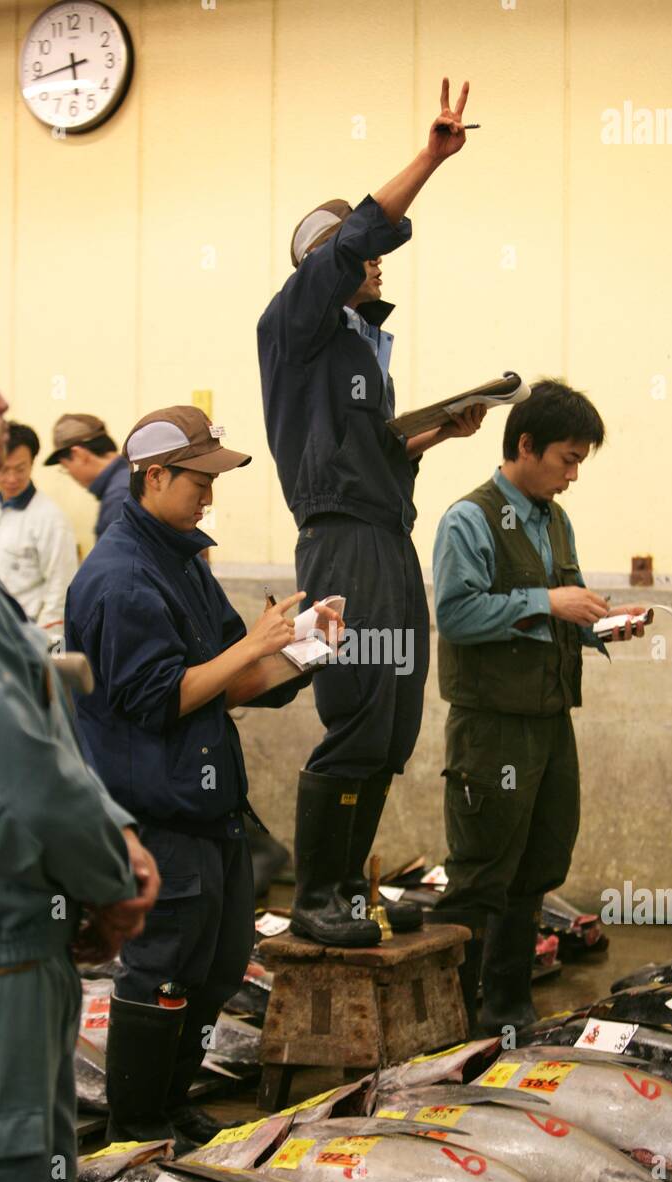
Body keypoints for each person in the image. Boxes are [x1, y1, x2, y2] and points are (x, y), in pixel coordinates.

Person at [0, 292, 160, 1182]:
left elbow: (31, 724)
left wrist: (107, 834)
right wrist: (110, 876)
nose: (2, 399)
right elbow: (20, 776)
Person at [258, 77, 505, 947]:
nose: (376, 261)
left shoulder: (360, 349)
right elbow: (361, 232)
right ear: (324, 265)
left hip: (385, 537)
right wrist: (429, 159)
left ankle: (348, 892)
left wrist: (437, 431)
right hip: (343, 549)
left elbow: (371, 457)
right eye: (358, 254)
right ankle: (315, 895)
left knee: (394, 720)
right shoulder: (295, 326)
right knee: (359, 709)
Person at [65, 405, 339, 1147]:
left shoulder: (182, 558)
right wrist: (254, 644)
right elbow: (159, 699)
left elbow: (228, 681)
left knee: (214, 968)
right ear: (154, 477)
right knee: (161, 968)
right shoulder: (122, 578)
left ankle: (173, 1104)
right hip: (157, 809)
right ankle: (137, 1128)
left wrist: (304, 652)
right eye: (198, 481)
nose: (208, 496)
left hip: (210, 801)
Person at [430, 379, 648, 1035]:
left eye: (579, 461)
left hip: (550, 722)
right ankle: (452, 1025)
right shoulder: (468, 520)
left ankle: (507, 1009)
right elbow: (456, 614)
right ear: (525, 445)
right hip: (491, 727)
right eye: (566, 459)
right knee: (481, 871)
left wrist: (602, 625)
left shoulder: (554, 520)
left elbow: (563, 608)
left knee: (538, 865)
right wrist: (547, 602)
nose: (572, 476)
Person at [0, 420, 78, 644]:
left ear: (32, 463)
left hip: (27, 635)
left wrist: (45, 644)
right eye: (3, 470)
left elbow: (61, 588)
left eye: (20, 469)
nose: (11, 479)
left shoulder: (51, 519)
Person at [44, 412, 129, 540]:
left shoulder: (118, 496)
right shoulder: (130, 476)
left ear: (79, 454)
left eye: (65, 467)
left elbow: (116, 552)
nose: (69, 473)